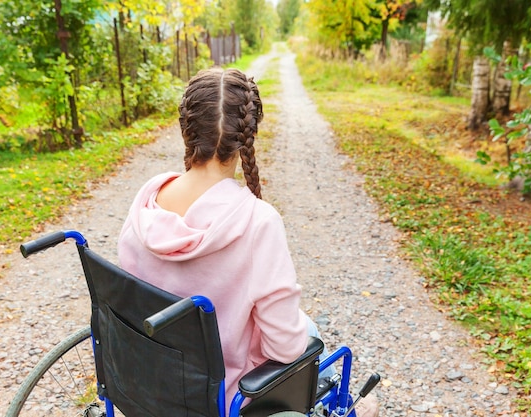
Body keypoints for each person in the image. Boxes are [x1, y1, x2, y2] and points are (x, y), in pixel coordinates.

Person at [117, 67, 378, 417]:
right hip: (221, 399)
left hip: (150, 381)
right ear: (247, 136)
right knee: (308, 333)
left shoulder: (145, 203)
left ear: (185, 130)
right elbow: (285, 348)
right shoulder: (257, 222)